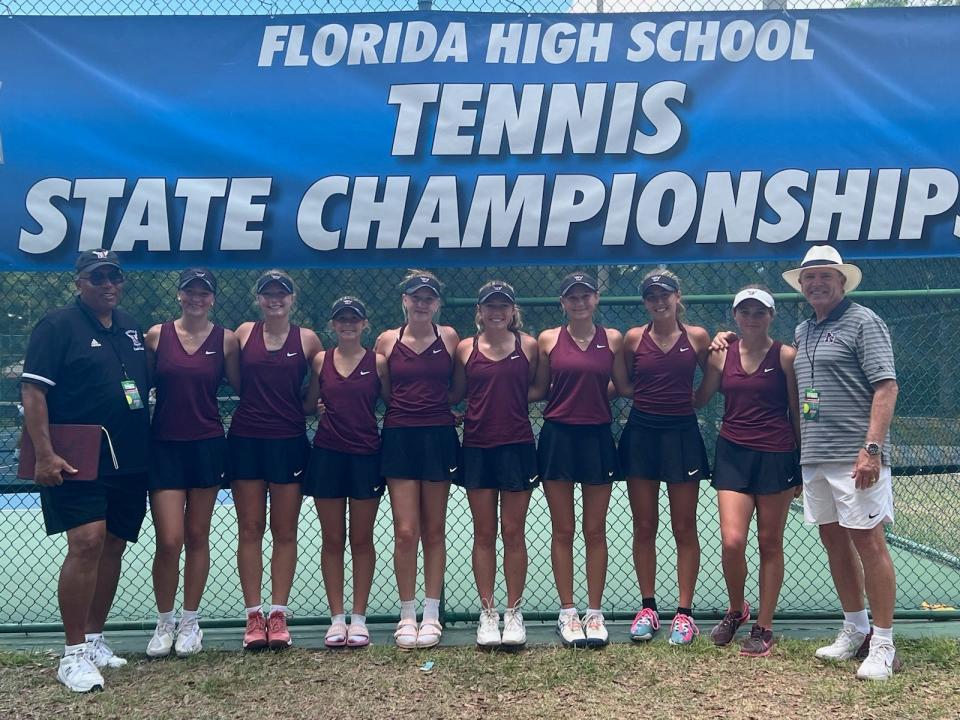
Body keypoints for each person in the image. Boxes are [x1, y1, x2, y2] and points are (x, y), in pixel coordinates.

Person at [20, 249, 150, 692]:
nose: (108, 285)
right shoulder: (57, 326)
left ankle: (94, 639)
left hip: (128, 457)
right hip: (76, 457)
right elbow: (33, 391)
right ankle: (72, 654)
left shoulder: (131, 326)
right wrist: (44, 453)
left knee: (113, 542)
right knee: (87, 541)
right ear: (79, 283)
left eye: (114, 277)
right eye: (98, 278)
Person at [783, 245, 900, 680]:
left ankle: (883, 644)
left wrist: (871, 448)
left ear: (842, 281)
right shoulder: (803, 330)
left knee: (869, 543)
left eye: (825, 277)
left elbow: (886, 388)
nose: (816, 283)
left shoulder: (864, 321)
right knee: (834, 543)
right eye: (809, 277)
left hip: (856, 457)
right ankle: (855, 627)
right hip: (815, 456)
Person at [693, 286, 801, 657]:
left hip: (776, 456)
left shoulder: (786, 356)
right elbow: (700, 398)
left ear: (771, 316)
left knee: (770, 543)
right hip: (733, 455)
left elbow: (798, 409)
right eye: (745, 312)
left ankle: (764, 627)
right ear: (735, 316)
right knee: (732, 541)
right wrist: (704, 353)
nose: (752, 318)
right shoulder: (722, 356)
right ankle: (737, 610)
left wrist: (800, 463)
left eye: (760, 312)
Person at [143, 269, 241, 658]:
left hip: (207, 446)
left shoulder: (227, 340)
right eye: (190, 291)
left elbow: (245, 387)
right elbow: (137, 385)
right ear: (180, 295)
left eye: (204, 293)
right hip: (164, 446)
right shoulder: (156, 335)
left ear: (213, 299)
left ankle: (189, 622)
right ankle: (164, 621)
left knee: (197, 535)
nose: (197, 298)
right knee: (169, 540)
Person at [530, 272, 627, 648]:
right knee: (563, 529)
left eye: (585, 295)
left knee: (595, 529)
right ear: (563, 302)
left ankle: (595, 612)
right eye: (572, 297)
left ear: (596, 299)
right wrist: (495, 396)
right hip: (557, 437)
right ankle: (568, 612)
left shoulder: (613, 339)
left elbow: (622, 385)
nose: (579, 302)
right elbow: (539, 388)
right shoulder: (548, 339)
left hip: (597, 437)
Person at [228, 270, 323, 650]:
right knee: (250, 528)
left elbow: (313, 394)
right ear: (258, 299)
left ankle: (278, 614)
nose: (274, 299)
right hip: (247, 440)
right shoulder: (242, 334)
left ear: (292, 298)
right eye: (267, 293)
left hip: (289, 442)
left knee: (284, 531)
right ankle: (254, 616)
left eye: (281, 293)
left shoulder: (308, 339)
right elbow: (237, 383)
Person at [619, 269, 711, 646]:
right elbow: (624, 383)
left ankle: (684, 615)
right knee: (644, 525)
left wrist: (691, 404)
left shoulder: (699, 337)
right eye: (651, 296)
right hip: (641, 435)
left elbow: (711, 381)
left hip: (682, 436)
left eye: (665, 294)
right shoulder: (632, 339)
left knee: (684, 527)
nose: (659, 301)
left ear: (677, 296)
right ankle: (648, 607)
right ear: (645, 302)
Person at [449, 281, 539, 649]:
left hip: (517, 447)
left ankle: (513, 612)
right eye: (490, 306)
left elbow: (541, 388)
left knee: (513, 531)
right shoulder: (464, 348)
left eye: (503, 306)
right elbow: (455, 393)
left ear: (512, 311)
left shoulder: (529, 346)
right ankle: (488, 613)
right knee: (484, 532)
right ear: (480, 311)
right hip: (477, 447)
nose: (496, 312)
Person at [375, 270, 460, 650]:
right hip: (399, 438)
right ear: (405, 301)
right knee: (406, 530)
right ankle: (407, 614)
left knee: (434, 529)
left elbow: (458, 386)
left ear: (437, 303)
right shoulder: (386, 341)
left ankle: (431, 613)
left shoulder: (451, 338)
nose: (422, 303)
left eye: (429, 298)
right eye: (416, 297)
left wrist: (442, 409)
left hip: (438, 437)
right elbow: (386, 392)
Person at [302, 297, 389, 649]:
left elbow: (394, 403)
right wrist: (317, 407)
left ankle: (359, 618)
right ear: (333, 324)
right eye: (341, 319)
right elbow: (309, 404)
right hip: (327, 456)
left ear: (365, 324)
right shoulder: (321, 360)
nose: (348, 324)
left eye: (354, 319)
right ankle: (337, 618)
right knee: (333, 539)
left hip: (366, 456)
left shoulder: (378, 362)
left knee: (362, 539)